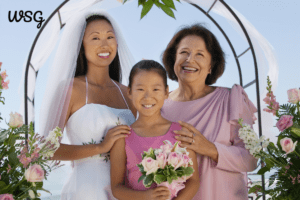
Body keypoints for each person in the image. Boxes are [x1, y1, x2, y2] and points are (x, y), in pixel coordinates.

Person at [38, 10, 137, 200]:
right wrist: (101, 147)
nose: (104, 44)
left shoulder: (128, 93)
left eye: (110, 36)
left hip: (127, 188)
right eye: (95, 38)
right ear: (81, 45)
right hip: (87, 188)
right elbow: (47, 149)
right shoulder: (70, 89)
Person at [160, 24, 258, 200]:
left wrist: (211, 149)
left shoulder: (230, 99)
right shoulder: (160, 106)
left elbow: (251, 158)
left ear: (211, 65)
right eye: (183, 52)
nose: (190, 59)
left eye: (200, 54)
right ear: (173, 59)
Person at [110, 60, 200, 200]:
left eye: (156, 89)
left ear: (166, 92)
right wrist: (146, 196)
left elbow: (193, 181)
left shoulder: (180, 133)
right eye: (140, 89)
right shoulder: (123, 137)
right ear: (129, 91)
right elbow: (116, 188)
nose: (147, 97)